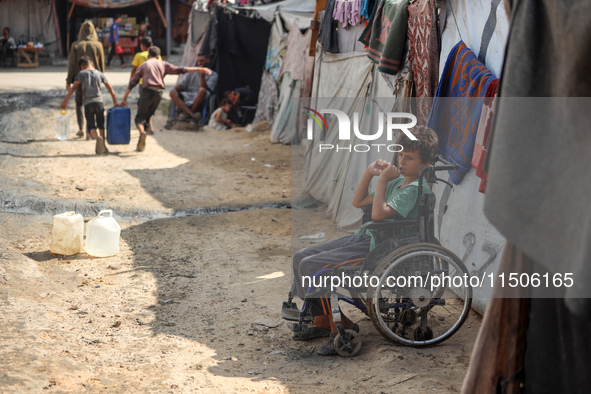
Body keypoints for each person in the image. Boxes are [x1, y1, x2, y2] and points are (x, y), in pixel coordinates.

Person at [289, 126, 438, 355]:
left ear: (425, 164)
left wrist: (381, 181)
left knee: (312, 266)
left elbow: (378, 214)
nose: (402, 161)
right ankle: (319, 317)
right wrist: (370, 173)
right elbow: (358, 202)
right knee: (301, 256)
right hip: (367, 237)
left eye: (409, 158)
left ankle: (339, 326)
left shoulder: (413, 190)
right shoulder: (398, 184)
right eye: (401, 155)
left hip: (381, 247)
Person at [120, 46, 211, 152]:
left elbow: (132, 83)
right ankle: (143, 138)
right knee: (148, 115)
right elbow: (180, 69)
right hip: (158, 94)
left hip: (147, 92)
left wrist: (124, 99)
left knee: (139, 118)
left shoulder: (144, 65)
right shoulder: (163, 64)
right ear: (158, 57)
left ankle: (142, 133)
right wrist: (199, 69)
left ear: (148, 56)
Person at [61, 56, 118, 155]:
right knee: (101, 125)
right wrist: (115, 102)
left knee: (91, 126)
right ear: (91, 63)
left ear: (82, 67)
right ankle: (103, 146)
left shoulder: (81, 74)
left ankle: (97, 139)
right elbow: (110, 89)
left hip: (88, 103)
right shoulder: (100, 74)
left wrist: (64, 102)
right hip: (99, 102)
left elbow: (73, 88)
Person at [65, 21, 105, 139]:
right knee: (92, 103)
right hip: (95, 80)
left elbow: (71, 64)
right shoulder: (98, 45)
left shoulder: (76, 45)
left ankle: (81, 129)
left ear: (81, 30)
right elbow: (102, 64)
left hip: (80, 79)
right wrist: (101, 78)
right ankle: (89, 130)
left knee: (79, 104)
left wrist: (69, 80)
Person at [167, 54, 218, 127]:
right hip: (188, 94)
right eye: (198, 61)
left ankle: (189, 113)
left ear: (207, 60)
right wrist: (174, 89)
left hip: (202, 96)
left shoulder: (213, 75)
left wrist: (201, 76)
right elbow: (182, 84)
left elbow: (206, 88)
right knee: (172, 92)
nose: (200, 63)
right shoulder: (192, 72)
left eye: (202, 61)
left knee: (202, 90)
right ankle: (191, 114)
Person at [130, 36, 161, 134]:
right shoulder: (158, 56)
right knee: (150, 106)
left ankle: (142, 129)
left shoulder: (138, 55)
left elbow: (134, 70)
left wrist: (131, 80)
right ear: (151, 45)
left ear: (142, 45)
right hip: (156, 85)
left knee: (143, 106)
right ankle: (150, 127)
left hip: (143, 85)